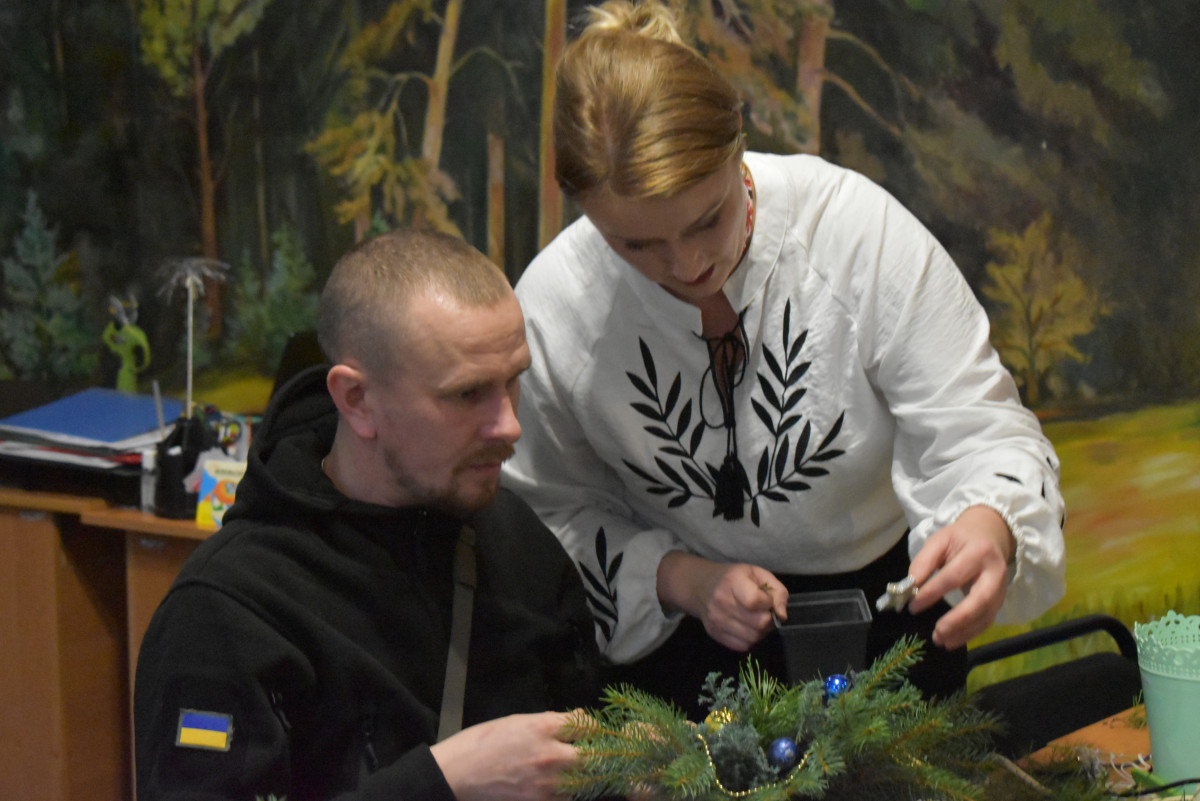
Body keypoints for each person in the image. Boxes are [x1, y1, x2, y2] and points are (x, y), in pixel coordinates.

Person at [500, 0, 1066, 715]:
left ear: (738, 145)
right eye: (636, 244)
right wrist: (682, 578)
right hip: (680, 648)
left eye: (708, 218)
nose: (688, 264)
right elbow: (546, 515)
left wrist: (991, 520)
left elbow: (980, 427)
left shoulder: (855, 235)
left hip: (887, 621)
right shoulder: (558, 306)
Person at [134, 228, 601, 801]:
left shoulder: (518, 542)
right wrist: (444, 781)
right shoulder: (228, 613)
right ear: (356, 400)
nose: (509, 425)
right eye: (467, 394)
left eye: (514, 381)